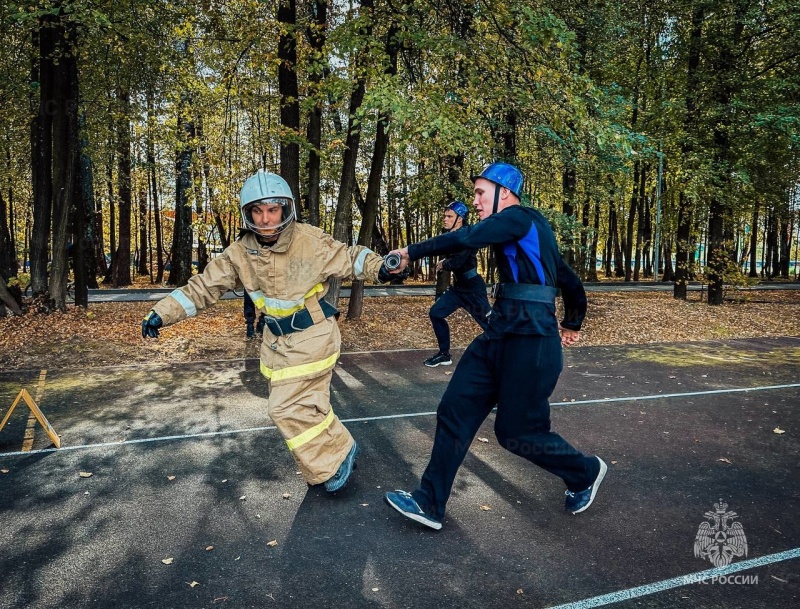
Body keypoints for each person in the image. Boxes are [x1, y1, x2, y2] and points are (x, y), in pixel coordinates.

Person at [141, 170, 401, 493]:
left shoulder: (308, 240)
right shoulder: (240, 253)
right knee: (306, 406)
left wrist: (381, 267)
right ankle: (324, 465)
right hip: (276, 343)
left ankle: (339, 451)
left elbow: (348, 257)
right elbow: (202, 288)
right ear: (247, 214)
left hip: (313, 337)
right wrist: (160, 314)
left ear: (285, 209)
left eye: (273, 210)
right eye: (257, 211)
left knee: (283, 408)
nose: (265, 219)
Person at [383, 162, 606, 530]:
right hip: (499, 333)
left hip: (532, 342)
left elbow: (468, 237)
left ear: (505, 193)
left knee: (516, 433)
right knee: (454, 410)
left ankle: (584, 471)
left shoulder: (521, 217)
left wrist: (410, 251)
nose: (476, 201)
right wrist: (572, 321)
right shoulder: (526, 237)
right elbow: (570, 282)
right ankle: (429, 502)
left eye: (480, 193)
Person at [422, 201, 491, 367]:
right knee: (436, 313)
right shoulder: (449, 237)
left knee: (491, 325)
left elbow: (459, 262)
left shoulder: (467, 236)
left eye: (449, 216)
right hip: (458, 289)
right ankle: (444, 354)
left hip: (473, 289)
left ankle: (508, 356)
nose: (445, 219)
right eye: (444, 216)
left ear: (459, 219)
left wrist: (444, 264)